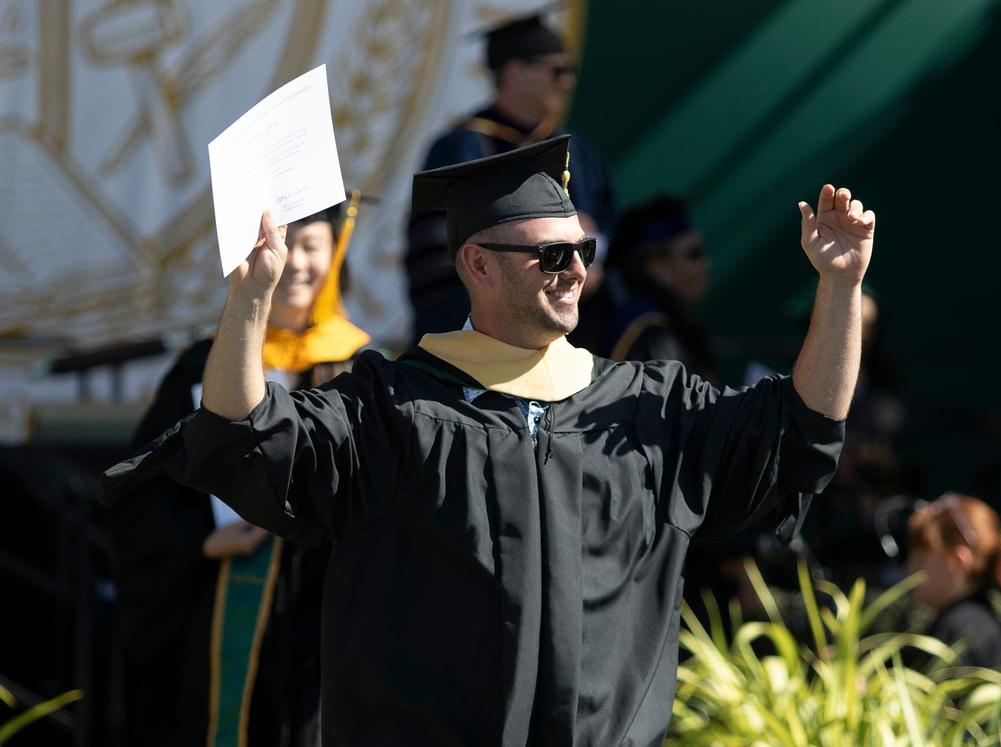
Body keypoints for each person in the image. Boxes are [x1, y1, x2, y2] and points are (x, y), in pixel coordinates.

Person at [103, 136, 872, 744]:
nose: (575, 271)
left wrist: (838, 290)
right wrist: (250, 299)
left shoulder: (645, 409)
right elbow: (243, 434)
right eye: (550, 254)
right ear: (476, 263)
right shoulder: (394, 409)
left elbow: (799, 429)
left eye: (582, 252)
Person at [107, 198, 371, 746]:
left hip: (324, 619)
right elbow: (139, 492)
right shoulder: (204, 368)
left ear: (336, 254)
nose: (296, 263)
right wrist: (198, 543)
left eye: (312, 246)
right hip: (215, 610)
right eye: (284, 245)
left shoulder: (359, 370)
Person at [405, 12, 617, 340]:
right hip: (484, 331)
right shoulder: (460, 149)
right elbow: (434, 252)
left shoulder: (577, 149)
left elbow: (606, 221)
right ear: (515, 72)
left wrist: (592, 255)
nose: (567, 82)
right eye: (557, 71)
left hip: (575, 327)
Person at [905, 493, 1001, 671]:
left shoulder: (958, 630)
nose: (910, 569)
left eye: (921, 559)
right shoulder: (978, 620)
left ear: (957, 562)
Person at [603, 195, 715, 379]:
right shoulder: (648, 331)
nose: (705, 264)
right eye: (694, 254)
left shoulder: (671, 323)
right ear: (656, 266)